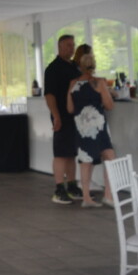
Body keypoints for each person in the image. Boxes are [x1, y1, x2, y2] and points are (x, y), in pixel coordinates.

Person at [67, 53, 116, 208]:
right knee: (109, 156)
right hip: (98, 126)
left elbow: (70, 108)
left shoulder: (73, 83)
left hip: (82, 127)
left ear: (80, 66)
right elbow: (109, 105)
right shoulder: (99, 82)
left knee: (85, 160)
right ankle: (108, 195)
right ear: (94, 66)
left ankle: (87, 197)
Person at [44, 34, 83, 204]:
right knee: (60, 153)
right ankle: (59, 189)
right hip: (61, 116)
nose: (71, 48)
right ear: (59, 47)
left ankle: (72, 186)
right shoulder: (53, 69)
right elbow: (49, 95)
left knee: (71, 153)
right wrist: (56, 116)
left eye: (73, 45)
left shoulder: (74, 66)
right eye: (68, 45)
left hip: (75, 117)